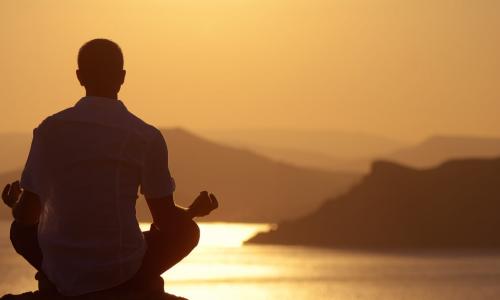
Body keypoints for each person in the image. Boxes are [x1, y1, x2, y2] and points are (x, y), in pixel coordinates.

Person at [1, 38, 218, 298]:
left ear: (80, 77)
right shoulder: (145, 136)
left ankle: (59, 282)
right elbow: (165, 220)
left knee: (19, 231)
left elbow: (26, 216)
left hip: (62, 268)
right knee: (188, 232)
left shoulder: (49, 130)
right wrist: (193, 212)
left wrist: (15, 203)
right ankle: (136, 286)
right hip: (121, 271)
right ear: (122, 77)